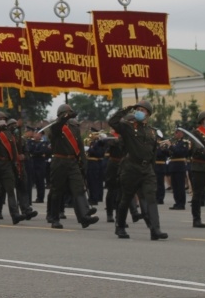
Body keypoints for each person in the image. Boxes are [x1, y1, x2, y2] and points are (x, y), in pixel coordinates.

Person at [108, 101, 166, 240]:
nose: (139, 112)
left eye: (143, 110)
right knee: (126, 199)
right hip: (131, 168)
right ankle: (120, 226)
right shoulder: (128, 127)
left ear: (148, 114)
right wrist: (127, 109)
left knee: (151, 198)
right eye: (138, 109)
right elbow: (112, 121)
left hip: (147, 169)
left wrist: (152, 169)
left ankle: (155, 229)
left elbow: (153, 152)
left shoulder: (152, 131)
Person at [47, 104, 98, 231]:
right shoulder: (56, 127)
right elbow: (58, 127)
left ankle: (84, 217)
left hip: (72, 162)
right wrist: (64, 118)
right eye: (67, 114)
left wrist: (83, 161)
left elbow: (80, 146)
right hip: (59, 161)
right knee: (57, 191)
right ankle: (55, 218)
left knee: (78, 188)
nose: (69, 116)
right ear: (61, 115)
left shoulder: (74, 128)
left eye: (70, 114)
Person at [0, 111, 25, 225]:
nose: (2, 120)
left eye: (4, 119)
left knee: (10, 190)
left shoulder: (9, 134)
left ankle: (15, 215)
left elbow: (13, 149)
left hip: (6, 165)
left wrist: (18, 126)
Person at [168, 128, 191, 210]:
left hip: (180, 166)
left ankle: (181, 204)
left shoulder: (184, 143)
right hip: (173, 166)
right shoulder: (176, 143)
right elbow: (169, 154)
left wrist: (171, 146)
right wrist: (166, 148)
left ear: (181, 134)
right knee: (175, 186)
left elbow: (180, 152)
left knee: (180, 187)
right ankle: (177, 202)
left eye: (177, 132)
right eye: (175, 132)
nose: (175, 134)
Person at [28, 130, 50, 204]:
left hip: (40, 164)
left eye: (38, 134)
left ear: (41, 135)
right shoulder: (30, 142)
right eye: (35, 133)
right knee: (30, 182)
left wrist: (34, 153)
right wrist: (37, 153)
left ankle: (40, 198)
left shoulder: (44, 143)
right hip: (32, 163)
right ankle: (28, 199)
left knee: (40, 182)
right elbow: (29, 150)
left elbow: (43, 151)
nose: (36, 135)